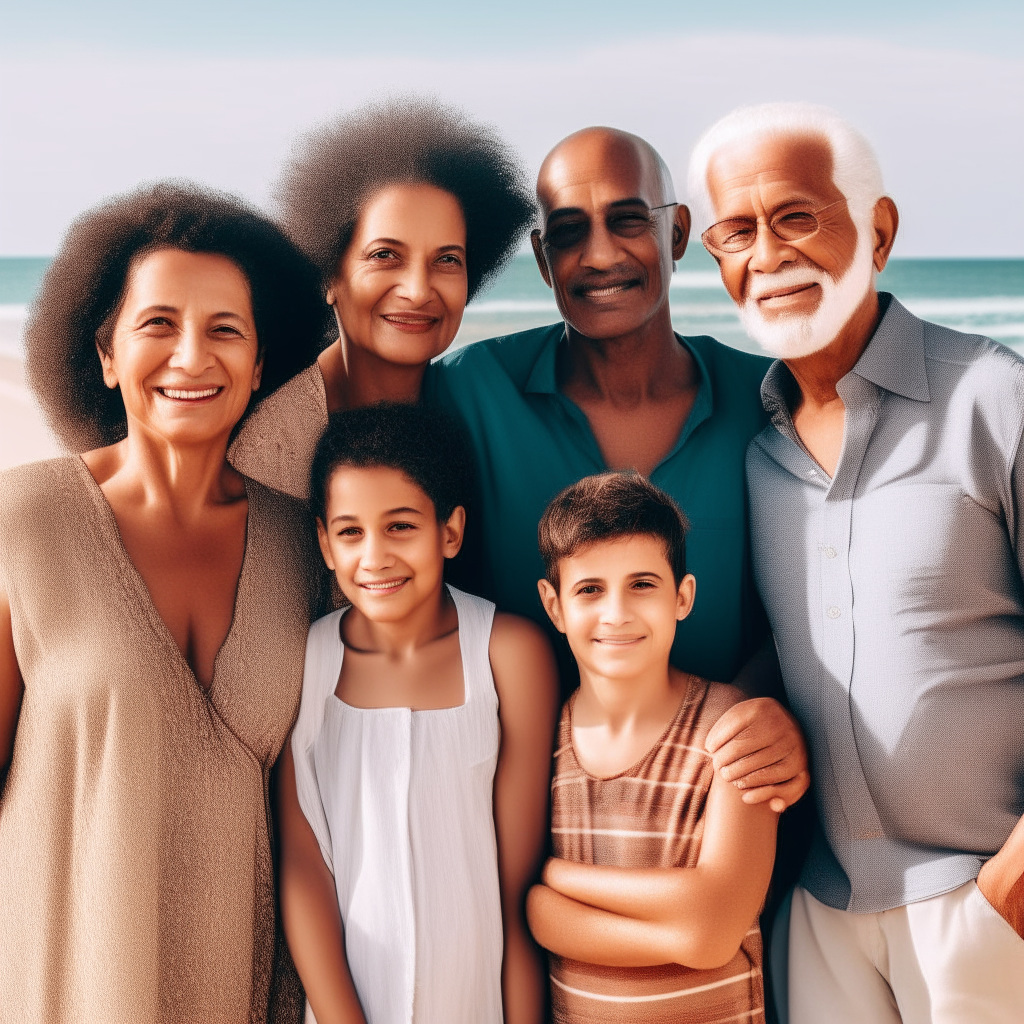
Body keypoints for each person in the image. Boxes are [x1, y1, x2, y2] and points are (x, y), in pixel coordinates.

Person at [689, 101, 1024, 1022]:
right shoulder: (757, 456)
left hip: (987, 905)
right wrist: (759, 705)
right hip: (823, 915)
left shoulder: (995, 399)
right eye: (735, 230)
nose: (766, 253)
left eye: (797, 215)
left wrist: (1012, 882)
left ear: (878, 230)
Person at [0, 182, 326, 1023]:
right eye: (158, 324)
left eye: (225, 329)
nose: (191, 357)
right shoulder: (22, 520)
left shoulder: (306, 545)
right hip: (65, 987)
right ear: (106, 354)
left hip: (243, 990)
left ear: (261, 365)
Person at [425, 126, 809, 810]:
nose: (600, 255)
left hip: (731, 802)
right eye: (569, 232)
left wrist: (771, 705)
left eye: (629, 220)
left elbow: (821, 603)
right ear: (543, 258)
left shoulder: (774, 399)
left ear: (680, 233)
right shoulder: (466, 392)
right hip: (515, 812)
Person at [277, 403, 558, 1024]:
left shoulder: (509, 654)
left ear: (449, 531)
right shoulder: (308, 662)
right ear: (324, 543)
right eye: (350, 532)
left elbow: (514, 894)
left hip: (476, 1002)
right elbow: (304, 872)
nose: (374, 557)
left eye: (400, 526)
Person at [526, 472, 777, 1023]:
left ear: (682, 596)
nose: (616, 613)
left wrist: (556, 885)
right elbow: (527, 917)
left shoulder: (730, 729)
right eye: (590, 589)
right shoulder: (541, 738)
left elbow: (712, 933)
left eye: (642, 584)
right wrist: (677, 921)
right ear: (554, 605)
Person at [229, 97, 534, 498]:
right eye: (385, 255)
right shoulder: (265, 448)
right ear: (327, 274)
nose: (418, 290)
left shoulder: (484, 414)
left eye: (446, 259)